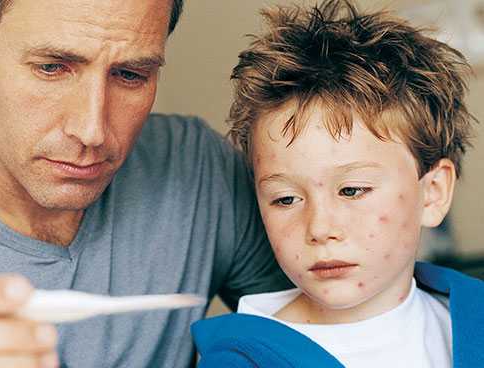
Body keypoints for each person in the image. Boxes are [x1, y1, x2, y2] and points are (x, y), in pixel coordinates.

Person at [0, 0, 292, 367]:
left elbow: (328, 334)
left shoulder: (198, 168)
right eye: (51, 67)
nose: (92, 131)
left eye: (130, 75)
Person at [192, 1, 484, 367]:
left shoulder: (474, 317)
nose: (319, 228)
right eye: (285, 199)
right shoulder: (239, 361)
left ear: (433, 193)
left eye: (351, 190)